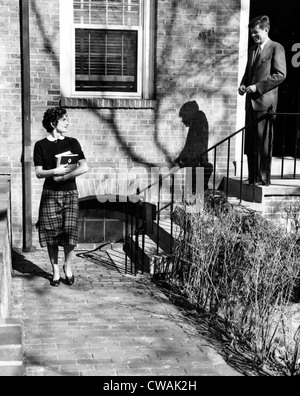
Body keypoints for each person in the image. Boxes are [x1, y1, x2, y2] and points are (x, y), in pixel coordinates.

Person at [34, 107, 88, 287]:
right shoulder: (40, 145)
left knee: (70, 232)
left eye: (67, 119)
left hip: (70, 193)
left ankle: (68, 267)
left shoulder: (72, 143)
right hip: (50, 194)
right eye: (64, 119)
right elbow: (39, 173)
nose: (67, 122)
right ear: (53, 123)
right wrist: (54, 171)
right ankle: (55, 270)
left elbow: (84, 167)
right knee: (51, 234)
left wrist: (64, 176)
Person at [238, 15, 286, 186]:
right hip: (250, 103)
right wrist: (243, 85)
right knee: (251, 142)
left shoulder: (275, 48)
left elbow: (280, 75)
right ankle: (252, 177)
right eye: (252, 33)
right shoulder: (252, 50)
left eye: (256, 32)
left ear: (266, 30)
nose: (253, 36)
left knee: (263, 143)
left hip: (265, 104)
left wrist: (257, 87)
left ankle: (263, 178)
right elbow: (248, 73)